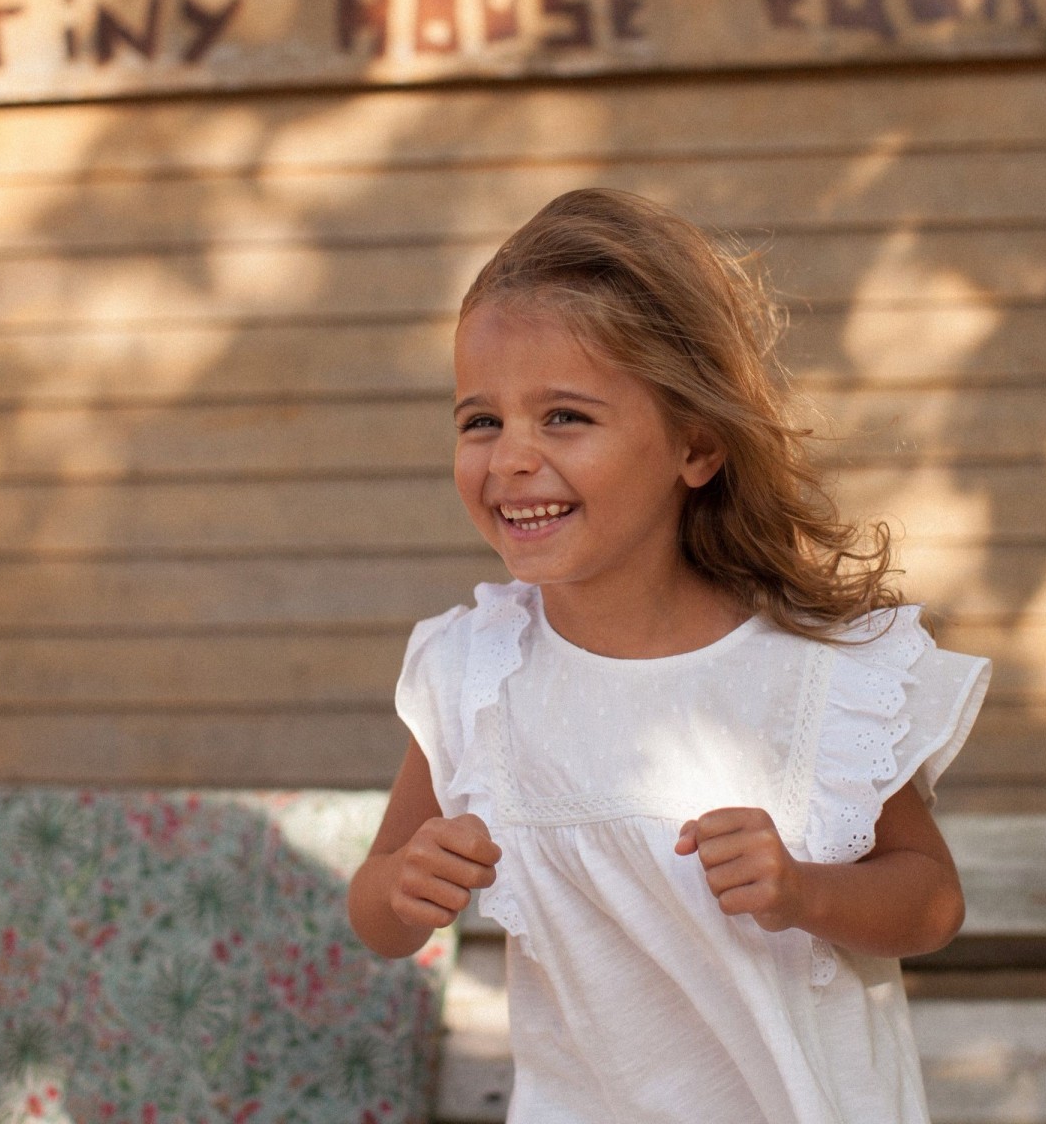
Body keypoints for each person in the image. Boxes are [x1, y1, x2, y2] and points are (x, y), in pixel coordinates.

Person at [347, 188, 991, 1122]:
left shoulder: (813, 673)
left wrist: (803, 890)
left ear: (695, 445)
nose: (511, 457)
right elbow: (377, 913)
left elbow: (931, 902)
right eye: (480, 420)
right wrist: (405, 889)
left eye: (564, 417)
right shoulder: (475, 674)